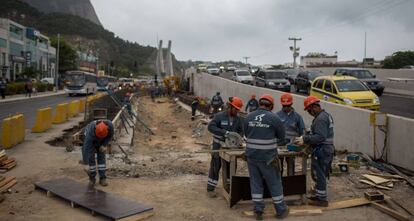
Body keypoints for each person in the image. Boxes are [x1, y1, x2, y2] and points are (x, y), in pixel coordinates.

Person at [244, 94, 289, 220]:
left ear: (259, 104)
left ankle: (258, 211)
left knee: (256, 182)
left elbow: (246, 133)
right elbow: (282, 137)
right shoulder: (274, 118)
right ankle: (281, 210)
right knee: (274, 183)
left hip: (252, 157)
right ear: (271, 106)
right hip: (268, 158)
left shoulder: (248, 116)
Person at [293, 96, 334, 207]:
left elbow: (320, 137)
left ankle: (322, 199)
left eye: (309, 110)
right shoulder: (324, 116)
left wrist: (305, 139)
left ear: (314, 107)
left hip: (323, 150)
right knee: (319, 173)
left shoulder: (320, 118)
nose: (309, 113)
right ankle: (319, 194)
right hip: (325, 149)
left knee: (320, 174)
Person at [206, 96, 244, 198]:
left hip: (231, 148)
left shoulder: (238, 119)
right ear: (230, 107)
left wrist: (238, 138)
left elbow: (241, 131)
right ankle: (210, 188)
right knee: (215, 166)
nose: (236, 111)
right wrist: (224, 132)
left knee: (230, 166)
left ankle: (228, 187)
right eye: (235, 109)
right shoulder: (219, 116)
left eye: (238, 110)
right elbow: (211, 127)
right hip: (218, 145)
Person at [276, 93, 305, 175]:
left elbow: (301, 132)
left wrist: (300, 144)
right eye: (284, 106)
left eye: (288, 106)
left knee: (291, 166)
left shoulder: (297, 117)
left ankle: (290, 181)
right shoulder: (277, 115)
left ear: (291, 104)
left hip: (292, 146)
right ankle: (279, 182)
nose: (286, 108)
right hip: (279, 146)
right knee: (278, 166)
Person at [82, 120, 114, 187]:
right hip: (92, 141)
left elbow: (110, 135)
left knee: (101, 156)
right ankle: (92, 178)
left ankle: (102, 178)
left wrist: (104, 145)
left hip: (102, 141)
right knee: (91, 158)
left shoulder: (110, 126)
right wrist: (86, 164)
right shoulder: (90, 133)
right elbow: (85, 149)